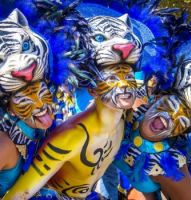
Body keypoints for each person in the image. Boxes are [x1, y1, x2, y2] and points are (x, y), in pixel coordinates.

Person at [3, 63, 137, 200]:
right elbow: (20, 194)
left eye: (129, 77)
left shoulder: (123, 121)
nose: (124, 84)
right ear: (92, 90)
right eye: (112, 79)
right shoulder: (71, 135)